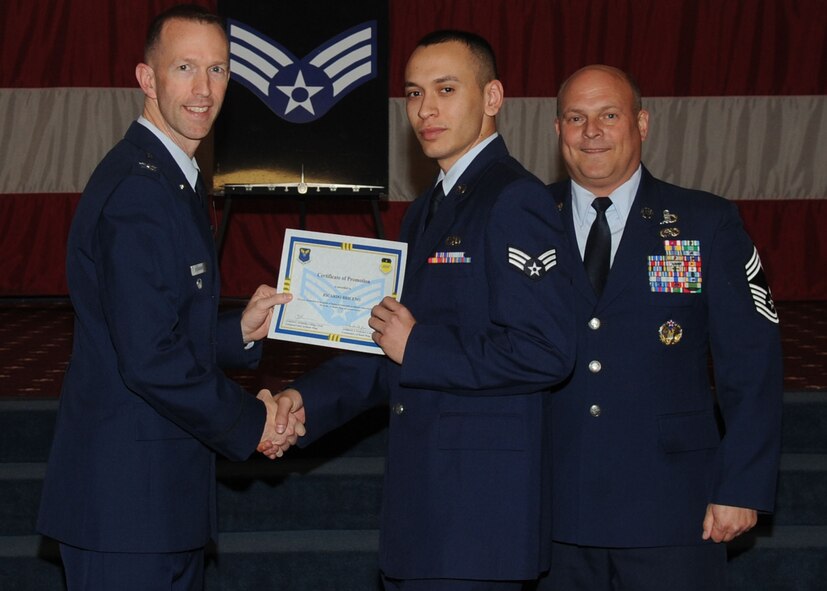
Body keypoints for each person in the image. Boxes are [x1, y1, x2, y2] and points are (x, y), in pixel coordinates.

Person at [264, 30, 575, 590]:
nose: (425, 109)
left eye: (446, 89)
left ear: (492, 97)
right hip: (425, 510)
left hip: (479, 519)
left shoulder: (513, 198)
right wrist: (304, 400)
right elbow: (388, 343)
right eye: (413, 93)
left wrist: (420, 346)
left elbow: (546, 351)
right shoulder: (427, 208)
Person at [36, 5, 300, 590]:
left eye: (218, 69)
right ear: (147, 79)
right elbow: (151, 358)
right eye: (185, 67)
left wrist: (237, 330)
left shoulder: (170, 176)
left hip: (155, 503)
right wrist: (253, 420)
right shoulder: (141, 190)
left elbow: (153, 326)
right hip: (126, 509)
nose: (204, 89)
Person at [535, 65, 783, 590]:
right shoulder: (524, 220)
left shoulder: (705, 222)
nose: (592, 132)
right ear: (558, 130)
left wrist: (741, 484)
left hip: (673, 505)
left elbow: (751, 362)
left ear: (641, 123)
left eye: (609, 115)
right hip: (552, 505)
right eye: (576, 118)